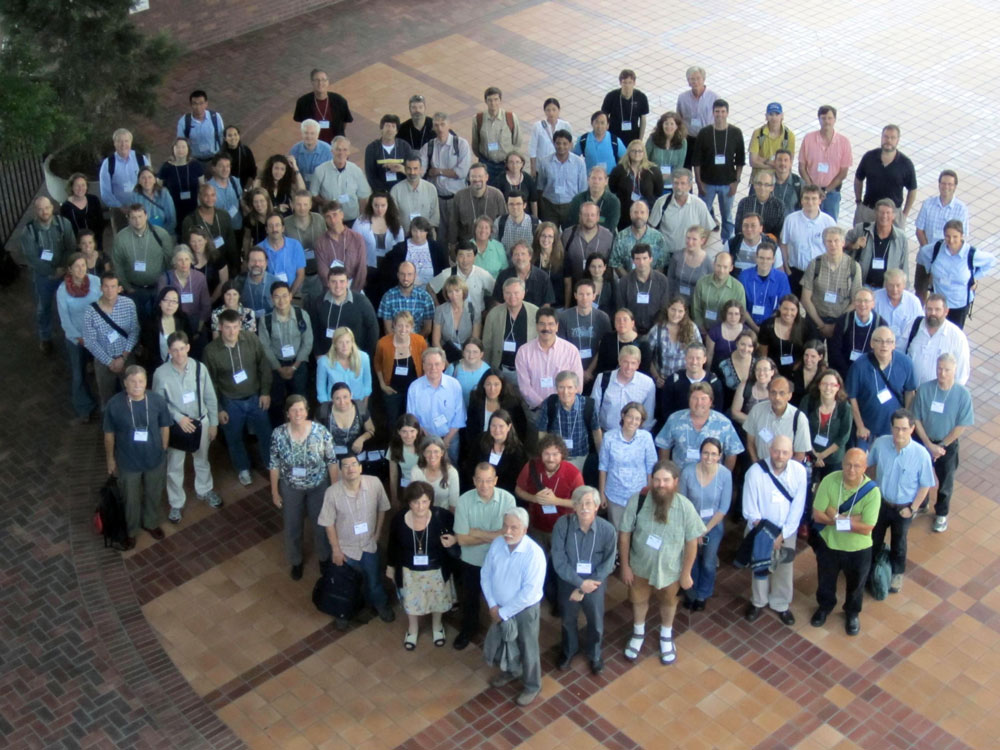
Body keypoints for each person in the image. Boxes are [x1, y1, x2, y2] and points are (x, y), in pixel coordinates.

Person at [620, 459, 704, 664]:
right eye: (656, 480)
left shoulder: (685, 507)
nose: (661, 485)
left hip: (671, 571)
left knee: (669, 602)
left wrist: (686, 573)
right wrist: (625, 566)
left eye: (666, 480)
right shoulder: (637, 501)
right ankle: (638, 632)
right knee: (638, 600)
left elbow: (692, 542)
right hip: (639, 567)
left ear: (675, 481)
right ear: (651, 480)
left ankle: (666, 634)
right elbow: (624, 534)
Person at [317, 452, 395, 627]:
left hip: (369, 545)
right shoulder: (332, 493)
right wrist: (336, 550)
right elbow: (328, 523)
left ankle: (380, 605)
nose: (350, 468)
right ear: (340, 470)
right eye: (345, 465)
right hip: (346, 549)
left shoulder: (374, 483)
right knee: (344, 584)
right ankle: (343, 612)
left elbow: (383, 508)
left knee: (374, 581)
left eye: (354, 464)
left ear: (360, 467)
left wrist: (377, 534)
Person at [152, 331, 221, 524]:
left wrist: (213, 423)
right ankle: (176, 502)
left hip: (201, 422)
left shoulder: (200, 368)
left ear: (188, 347)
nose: (179, 354)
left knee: (202, 459)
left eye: (182, 349)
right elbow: (159, 403)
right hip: (177, 426)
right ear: (169, 351)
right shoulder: (161, 373)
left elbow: (210, 397)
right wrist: (178, 417)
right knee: (174, 465)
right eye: (175, 350)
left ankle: (205, 490)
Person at [810, 448, 880, 635]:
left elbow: (867, 527)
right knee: (826, 579)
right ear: (842, 463)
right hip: (830, 544)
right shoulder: (829, 480)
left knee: (856, 584)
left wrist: (834, 514)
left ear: (865, 468)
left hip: (858, 549)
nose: (851, 469)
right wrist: (853, 520)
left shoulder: (872, 492)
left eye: (857, 466)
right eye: (848, 464)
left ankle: (852, 613)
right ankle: (825, 607)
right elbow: (817, 516)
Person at [481, 508, 546, 706]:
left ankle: (532, 685)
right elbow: (486, 574)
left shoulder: (534, 554)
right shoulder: (497, 544)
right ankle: (512, 671)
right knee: (505, 642)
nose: (508, 531)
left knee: (528, 647)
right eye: (505, 526)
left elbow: (528, 593)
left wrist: (503, 612)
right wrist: (493, 604)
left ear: (524, 530)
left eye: (514, 528)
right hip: (499, 608)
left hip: (524, 611)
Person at [103, 365, 172, 548]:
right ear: (125, 383)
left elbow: (165, 425)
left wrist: (163, 448)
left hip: (154, 459)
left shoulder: (157, 401)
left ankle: (150, 523)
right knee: (130, 499)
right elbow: (109, 434)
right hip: (128, 462)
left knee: (153, 493)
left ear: (146, 382)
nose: (137, 385)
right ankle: (131, 531)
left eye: (141, 381)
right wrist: (110, 459)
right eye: (132, 381)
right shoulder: (115, 405)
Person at [550, 485, 616, 674]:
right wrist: (580, 584)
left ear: (596, 506)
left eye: (589, 503)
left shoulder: (608, 530)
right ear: (574, 506)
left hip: (595, 583)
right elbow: (559, 560)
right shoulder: (562, 525)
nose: (584, 507)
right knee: (567, 619)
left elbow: (608, 563)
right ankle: (569, 650)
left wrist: (588, 585)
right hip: (569, 581)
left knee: (595, 621)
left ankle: (595, 654)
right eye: (579, 503)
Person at [867, 410, 935, 593]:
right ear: (891, 427)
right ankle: (871, 569)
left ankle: (897, 573)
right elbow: (868, 465)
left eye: (904, 429)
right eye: (896, 428)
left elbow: (925, 485)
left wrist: (912, 509)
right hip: (881, 502)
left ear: (912, 429)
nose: (900, 434)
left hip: (903, 508)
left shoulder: (921, 455)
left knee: (899, 543)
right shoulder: (880, 444)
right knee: (874, 538)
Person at [741, 436, 806, 625]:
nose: (780, 456)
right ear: (770, 450)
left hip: (787, 531)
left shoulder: (799, 472)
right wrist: (768, 535)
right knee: (759, 567)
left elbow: (798, 507)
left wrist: (783, 534)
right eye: (776, 451)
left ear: (791, 454)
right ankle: (758, 601)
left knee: (784, 568)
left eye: (785, 452)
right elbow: (750, 509)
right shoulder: (754, 472)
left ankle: (781, 604)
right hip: (759, 530)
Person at [203, 309, 272, 486]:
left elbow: (263, 365)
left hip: (255, 397)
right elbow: (210, 383)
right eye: (227, 328)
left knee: (265, 433)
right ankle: (243, 468)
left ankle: (271, 464)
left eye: (235, 327)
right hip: (230, 401)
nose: (232, 332)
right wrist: (218, 409)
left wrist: (265, 392)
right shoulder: (211, 351)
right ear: (220, 327)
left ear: (240, 325)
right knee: (234, 438)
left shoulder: (251, 339)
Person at [514, 435, 584, 610]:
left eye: (555, 454)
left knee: (559, 565)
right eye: (547, 453)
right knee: (538, 563)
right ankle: (542, 594)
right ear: (541, 454)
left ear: (562, 454)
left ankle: (559, 600)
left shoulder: (572, 473)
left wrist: (556, 501)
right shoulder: (530, 467)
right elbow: (518, 490)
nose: (550, 458)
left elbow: (581, 502)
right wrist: (534, 498)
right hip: (536, 527)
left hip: (562, 529)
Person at [386, 481, 458, 649]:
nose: (420, 507)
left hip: (436, 569)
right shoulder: (399, 519)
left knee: (438, 600)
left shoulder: (442, 517)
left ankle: (437, 625)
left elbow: (457, 533)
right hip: (409, 571)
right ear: (409, 502)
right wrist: (390, 566)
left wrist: (453, 540)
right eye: (415, 502)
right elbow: (392, 544)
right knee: (411, 602)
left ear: (430, 501)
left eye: (424, 502)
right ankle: (413, 628)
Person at [453, 463, 517, 649]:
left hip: (498, 561)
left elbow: (509, 536)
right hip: (471, 560)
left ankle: (501, 635)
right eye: (479, 480)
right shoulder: (464, 501)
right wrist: (494, 535)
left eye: (489, 480)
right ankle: (468, 629)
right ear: (473, 480)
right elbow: (462, 540)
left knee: (500, 600)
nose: (484, 485)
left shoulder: (508, 500)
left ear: (495, 480)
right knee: (470, 598)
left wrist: (477, 532)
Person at [913, 354, 974, 534]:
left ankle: (941, 513)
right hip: (924, 441)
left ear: (954, 370)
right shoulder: (925, 389)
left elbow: (961, 425)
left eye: (947, 369)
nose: (942, 373)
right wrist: (928, 443)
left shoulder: (962, 395)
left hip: (947, 445)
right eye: (939, 368)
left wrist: (942, 445)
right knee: (919, 475)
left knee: (946, 480)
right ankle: (921, 504)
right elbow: (916, 418)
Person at [678, 439, 732, 610]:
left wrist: (703, 531)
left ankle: (703, 594)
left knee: (708, 561)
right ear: (700, 454)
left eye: (714, 454)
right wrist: (694, 531)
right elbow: (682, 503)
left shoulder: (725, 475)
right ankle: (690, 591)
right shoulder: (687, 472)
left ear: (720, 456)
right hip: (689, 525)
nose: (709, 457)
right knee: (691, 559)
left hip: (713, 526)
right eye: (706, 453)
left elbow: (723, 508)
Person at [20, 196, 77, 353]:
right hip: (43, 277)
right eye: (40, 209)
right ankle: (45, 337)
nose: (44, 212)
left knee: (69, 305)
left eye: (47, 208)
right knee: (44, 307)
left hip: (64, 273)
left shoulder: (63, 224)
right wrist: (52, 272)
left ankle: (72, 335)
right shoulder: (29, 231)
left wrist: (64, 268)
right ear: (35, 211)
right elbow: (32, 258)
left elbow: (70, 247)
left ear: (52, 208)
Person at [916, 220, 994, 329]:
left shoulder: (970, 254)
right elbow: (923, 253)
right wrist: (930, 270)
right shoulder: (936, 249)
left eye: (955, 237)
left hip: (959, 305)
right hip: (938, 303)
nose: (951, 240)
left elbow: (991, 261)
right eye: (947, 236)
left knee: (953, 335)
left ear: (961, 236)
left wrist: (974, 277)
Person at [845, 327, 917, 447]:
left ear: (894, 345)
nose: (884, 345)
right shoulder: (859, 366)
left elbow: (910, 392)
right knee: (863, 464)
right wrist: (860, 426)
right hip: (867, 430)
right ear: (872, 343)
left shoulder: (905, 363)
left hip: (894, 430)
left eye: (889, 341)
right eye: (879, 341)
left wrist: (906, 421)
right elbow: (852, 397)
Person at [83, 271, 140, 408]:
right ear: (101, 288)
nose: (110, 290)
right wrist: (110, 362)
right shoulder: (90, 311)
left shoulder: (129, 304)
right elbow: (90, 341)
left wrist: (123, 357)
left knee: (133, 395)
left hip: (126, 358)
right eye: (106, 286)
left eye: (113, 286)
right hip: (103, 362)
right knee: (106, 398)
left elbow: (135, 330)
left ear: (119, 288)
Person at [111, 204, 176, 321]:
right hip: (134, 290)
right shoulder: (121, 238)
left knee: (159, 321)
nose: (137, 221)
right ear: (128, 218)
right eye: (133, 217)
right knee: (139, 323)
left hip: (158, 288)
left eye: (140, 216)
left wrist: (166, 284)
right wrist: (127, 287)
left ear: (146, 216)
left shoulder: (161, 234)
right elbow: (118, 265)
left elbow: (169, 260)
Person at [656, 383, 743, 470]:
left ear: (711, 401)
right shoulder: (674, 419)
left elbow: (732, 453)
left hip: (711, 479)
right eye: (694, 398)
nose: (699, 403)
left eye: (703, 399)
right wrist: (666, 472)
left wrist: (723, 477)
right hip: (680, 478)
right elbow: (664, 446)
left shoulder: (724, 423)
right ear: (689, 400)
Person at [57, 253, 102, 423]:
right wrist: (80, 338)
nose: (81, 269)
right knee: (78, 374)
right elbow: (65, 320)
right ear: (69, 269)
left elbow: (102, 306)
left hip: (97, 335)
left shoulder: (95, 282)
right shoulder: (62, 291)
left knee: (103, 370)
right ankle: (85, 407)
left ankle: (107, 401)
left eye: (83, 265)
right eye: (77, 266)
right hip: (77, 339)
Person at [598, 402, 658, 529]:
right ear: (623, 416)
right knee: (616, 531)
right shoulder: (609, 437)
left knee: (637, 531)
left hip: (638, 494)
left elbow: (651, 467)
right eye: (630, 417)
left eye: (637, 419)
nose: (633, 421)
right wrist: (602, 494)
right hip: (614, 494)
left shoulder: (646, 438)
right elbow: (603, 467)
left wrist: (650, 493)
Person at [258, 282, 313, 417]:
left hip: (298, 363)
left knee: (300, 400)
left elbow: (308, 342)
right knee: (276, 402)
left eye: (284, 296)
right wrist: (278, 368)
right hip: (276, 366)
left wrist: (295, 366)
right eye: (277, 297)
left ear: (290, 296)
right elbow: (265, 347)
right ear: (271, 299)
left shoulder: (302, 315)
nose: (281, 300)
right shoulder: (266, 320)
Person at [515, 307, 584, 414]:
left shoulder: (571, 351)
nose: (546, 328)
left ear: (557, 326)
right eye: (542, 324)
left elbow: (578, 385)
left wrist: (561, 406)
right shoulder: (524, 352)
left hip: (564, 411)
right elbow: (525, 387)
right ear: (536, 326)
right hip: (536, 412)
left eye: (551, 324)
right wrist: (544, 406)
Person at [693, 99, 745, 242]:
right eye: (717, 112)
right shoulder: (704, 133)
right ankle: (701, 242)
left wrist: (736, 182)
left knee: (727, 216)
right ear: (713, 113)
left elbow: (740, 160)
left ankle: (727, 243)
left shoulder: (735, 132)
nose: (720, 115)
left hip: (727, 183)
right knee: (702, 215)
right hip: (707, 183)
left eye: (723, 112)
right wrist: (698, 182)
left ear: (727, 113)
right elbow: (696, 160)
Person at [800, 227, 862, 340]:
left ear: (843, 243)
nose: (833, 244)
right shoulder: (814, 264)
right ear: (824, 243)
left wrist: (837, 325)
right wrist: (821, 325)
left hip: (841, 321)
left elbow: (855, 300)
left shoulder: (854, 267)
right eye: (829, 241)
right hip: (816, 319)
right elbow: (805, 299)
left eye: (836, 241)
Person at [914, 170, 969, 298]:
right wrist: (929, 253)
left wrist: (941, 256)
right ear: (939, 185)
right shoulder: (928, 204)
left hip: (947, 260)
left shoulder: (961, 209)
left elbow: (960, 236)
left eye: (950, 184)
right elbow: (919, 230)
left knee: (941, 293)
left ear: (955, 186)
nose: (946, 187)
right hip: (925, 257)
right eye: (943, 183)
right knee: (920, 291)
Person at [406, 348, 466, 465]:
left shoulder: (454, 385)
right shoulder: (414, 387)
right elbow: (412, 419)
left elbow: (459, 416)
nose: (433, 368)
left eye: (437, 364)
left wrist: (447, 440)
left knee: (451, 469)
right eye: (429, 364)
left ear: (443, 365)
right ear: (423, 366)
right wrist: (429, 440)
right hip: (424, 438)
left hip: (450, 439)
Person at [536, 371, 603, 474]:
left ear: (576, 388)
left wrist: (601, 456)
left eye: (570, 387)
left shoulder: (588, 405)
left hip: (581, 457)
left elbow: (596, 431)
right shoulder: (549, 404)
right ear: (556, 389)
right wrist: (544, 454)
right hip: (556, 458)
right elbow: (542, 431)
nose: (565, 392)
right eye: (561, 387)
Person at [853, 124, 917, 228]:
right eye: (886, 137)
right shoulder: (869, 157)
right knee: (860, 242)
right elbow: (858, 179)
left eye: (892, 138)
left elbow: (913, 190)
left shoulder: (906, 164)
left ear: (898, 140)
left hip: (892, 215)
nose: (888, 140)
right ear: (881, 137)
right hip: (869, 211)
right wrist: (858, 202)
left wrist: (904, 214)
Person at [463, 370, 529, 470]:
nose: (492, 389)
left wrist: (510, 445)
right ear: (483, 385)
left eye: (496, 384)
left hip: (506, 447)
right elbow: (470, 427)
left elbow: (521, 429)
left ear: (502, 385)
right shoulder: (476, 400)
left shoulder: (512, 403)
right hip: (481, 446)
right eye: (488, 384)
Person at [779, 185, 837, 296]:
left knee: (815, 308)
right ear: (801, 200)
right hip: (796, 272)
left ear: (820, 200)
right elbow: (783, 244)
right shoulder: (791, 220)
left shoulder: (829, 222)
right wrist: (787, 268)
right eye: (806, 198)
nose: (810, 202)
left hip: (820, 274)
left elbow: (835, 249)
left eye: (814, 198)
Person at [799, 370, 853, 489]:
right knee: (805, 490)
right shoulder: (808, 401)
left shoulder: (845, 407)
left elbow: (844, 436)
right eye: (824, 384)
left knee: (829, 492)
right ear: (819, 385)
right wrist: (813, 454)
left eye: (833, 385)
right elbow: (801, 428)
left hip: (833, 458)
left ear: (838, 387)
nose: (828, 388)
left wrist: (822, 455)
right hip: (808, 454)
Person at [421, 112, 472, 235]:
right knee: (440, 235)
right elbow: (421, 171)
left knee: (460, 234)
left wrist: (438, 171)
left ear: (449, 125)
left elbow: (462, 172)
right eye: (436, 125)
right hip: (438, 200)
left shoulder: (461, 144)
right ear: (433, 127)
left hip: (458, 199)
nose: (439, 128)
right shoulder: (428, 147)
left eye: (442, 124)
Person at [798, 105, 852, 220]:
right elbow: (802, 167)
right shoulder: (808, 139)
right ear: (819, 119)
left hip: (831, 194)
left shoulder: (844, 142)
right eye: (823, 118)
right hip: (810, 193)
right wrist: (813, 188)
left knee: (830, 225)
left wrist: (826, 190)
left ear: (835, 120)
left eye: (829, 118)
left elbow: (843, 172)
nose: (826, 121)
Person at [375, 310, 426, 429]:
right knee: (393, 422)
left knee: (412, 421)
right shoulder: (383, 343)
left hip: (414, 390)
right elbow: (377, 364)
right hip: (392, 391)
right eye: (400, 325)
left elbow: (425, 362)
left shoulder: (419, 341)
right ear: (393, 326)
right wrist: (383, 385)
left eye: (407, 326)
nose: (403, 329)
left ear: (412, 327)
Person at [904, 294, 970, 386]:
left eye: (937, 310)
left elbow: (962, 375)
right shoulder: (913, 326)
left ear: (946, 311)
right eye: (929, 309)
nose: (933, 313)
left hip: (936, 395)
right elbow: (899, 353)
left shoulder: (957, 338)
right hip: (910, 390)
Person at [649, 169, 714, 259]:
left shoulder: (699, 205)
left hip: (689, 255)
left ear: (690, 186)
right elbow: (651, 228)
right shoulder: (661, 203)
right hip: (666, 255)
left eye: (683, 183)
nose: (679, 187)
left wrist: (700, 248)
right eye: (676, 183)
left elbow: (707, 229)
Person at [744, 376, 811, 462]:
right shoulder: (757, 410)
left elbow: (800, 454)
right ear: (768, 393)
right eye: (773, 392)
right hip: (761, 465)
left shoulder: (799, 418)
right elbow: (750, 442)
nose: (777, 397)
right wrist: (757, 465)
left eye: (782, 393)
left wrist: (785, 473)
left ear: (790, 395)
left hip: (786, 470)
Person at [844, 198, 909, 288]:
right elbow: (842, 246)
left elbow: (904, 266)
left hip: (887, 289)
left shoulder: (901, 238)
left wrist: (904, 290)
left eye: (888, 213)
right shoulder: (862, 229)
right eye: (881, 212)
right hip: (862, 286)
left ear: (893, 215)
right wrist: (853, 245)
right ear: (875, 213)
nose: (884, 216)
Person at [592, 345, 656, 432]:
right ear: (619, 361)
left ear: (638, 364)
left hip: (634, 435)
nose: (629, 367)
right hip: (606, 432)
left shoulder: (648, 384)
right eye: (625, 362)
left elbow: (648, 415)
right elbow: (594, 410)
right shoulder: (602, 379)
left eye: (633, 363)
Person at [311, 137, 372, 229]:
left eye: (345, 150)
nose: (341, 153)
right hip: (328, 221)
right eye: (338, 149)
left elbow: (363, 197)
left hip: (352, 220)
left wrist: (362, 220)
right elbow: (313, 194)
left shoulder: (356, 171)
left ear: (349, 152)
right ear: (332, 151)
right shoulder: (320, 170)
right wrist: (326, 203)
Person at [558, 279, 612, 383]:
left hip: (595, 372)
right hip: (570, 370)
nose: (585, 298)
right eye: (581, 294)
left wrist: (589, 371)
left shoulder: (603, 318)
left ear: (594, 295)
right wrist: (579, 371)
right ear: (575, 295)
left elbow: (604, 348)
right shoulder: (564, 317)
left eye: (588, 294)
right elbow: (562, 347)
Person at [482, 278, 538, 374]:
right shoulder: (494, 314)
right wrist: (486, 370)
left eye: (516, 293)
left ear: (523, 293)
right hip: (500, 369)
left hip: (528, 370)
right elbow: (486, 345)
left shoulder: (535, 312)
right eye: (508, 293)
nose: (512, 297)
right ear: (503, 294)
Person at [430, 240, 495, 321]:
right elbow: (430, 288)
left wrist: (490, 311)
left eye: (469, 255)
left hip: (477, 318)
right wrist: (437, 306)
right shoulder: (447, 274)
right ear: (456, 257)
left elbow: (497, 292)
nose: (465, 260)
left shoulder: (482, 274)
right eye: (461, 255)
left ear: (474, 257)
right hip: (452, 318)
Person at [647, 297, 701, 394]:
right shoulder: (657, 329)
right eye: (673, 309)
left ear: (685, 312)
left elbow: (700, 354)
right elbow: (648, 357)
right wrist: (656, 377)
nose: (676, 314)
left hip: (685, 382)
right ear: (667, 309)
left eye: (680, 311)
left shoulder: (692, 329)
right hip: (663, 382)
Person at [659, 342, 724, 422]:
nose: (694, 362)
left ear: (704, 359)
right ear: (685, 358)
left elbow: (717, 411)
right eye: (691, 358)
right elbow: (666, 411)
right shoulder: (673, 381)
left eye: (698, 358)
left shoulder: (714, 383)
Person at [313, 199, 367, 295]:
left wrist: (354, 292)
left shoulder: (357, 238)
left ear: (342, 215)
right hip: (331, 288)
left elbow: (361, 269)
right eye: (328, 217)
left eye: (335, 215)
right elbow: (323, 272)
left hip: (354, 286)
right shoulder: (320, 242)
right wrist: (336, 290)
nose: (332, 220)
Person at [448, 163, 507, 250]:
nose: (477, 179)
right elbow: (454, 224)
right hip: (467, 246)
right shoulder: (459, 196)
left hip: (492, 245)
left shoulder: (497, 195)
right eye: (473, 176)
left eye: (480, 176)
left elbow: (504, 222)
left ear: (487, 177)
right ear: (468, 178)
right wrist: (452, 246)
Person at [182, 184, 238, 275]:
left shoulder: (224, 215)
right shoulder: (190, 220)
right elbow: (187, 247)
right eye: (206, 195)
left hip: (223, 265)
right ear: (199, 197)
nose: (210, 198)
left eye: (212, 195)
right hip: (201, 268)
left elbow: (231, 243)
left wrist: (235, 265)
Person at [535, 130, 587, 227]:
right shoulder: (545, 162)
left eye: (565, 143)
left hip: (571, 205)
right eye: (558, 143)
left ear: (570, 144)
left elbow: (583, 188)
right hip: (550, 206)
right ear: (554, 143)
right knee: (550, 236)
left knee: (570, 236)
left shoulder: (579, 163)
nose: (561, 147)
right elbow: (540, 187)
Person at [469, 410, 527, 496]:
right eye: (493, 426)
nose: (497, 430)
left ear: (509, 427)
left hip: (504, 494)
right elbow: (471, 467)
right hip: (479, 490)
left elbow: (516, 480)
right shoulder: (480, 441)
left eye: (501, 426)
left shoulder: (518, 450)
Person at [828, 288, 885, 377]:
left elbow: (883, 352)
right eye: (859, 301)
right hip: (844, 370)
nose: (862, 304)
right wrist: (849, 372)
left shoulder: (881, 324)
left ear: (873, 304)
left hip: (869, 372)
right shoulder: (843, 321)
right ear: (854, 303)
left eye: (866, 301)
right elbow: (835, 350)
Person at [614, 244, 669, 335]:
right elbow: (621, 307)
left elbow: (664, 308)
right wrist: (630, 326)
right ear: (633, 261)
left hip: (655, 330)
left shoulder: (662, 280)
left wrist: (655, 328)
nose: (641, 262)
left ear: (651, 259)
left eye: (644, 258)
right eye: (637, 259)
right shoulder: (624, 281)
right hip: (630, 329)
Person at [322, 383, 375, 478]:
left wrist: (362, 439)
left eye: (345, 397)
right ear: (332, 399)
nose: (342, 402)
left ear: (351, 396)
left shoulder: (360, 408)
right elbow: (315, 434)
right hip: (332, 458)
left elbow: (371, 430)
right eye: (337, 398)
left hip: (355, 456)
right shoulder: (324, 410)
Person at [99, 128, 147, 232]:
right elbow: (105, 191)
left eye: (126, 141)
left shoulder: (141, 159)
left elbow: (150, 182)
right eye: (119, 141)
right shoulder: (108, 164)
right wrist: (120, 207)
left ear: (131, 142)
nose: (123, 144)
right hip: (119, 212)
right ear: (114, 143)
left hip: (141, 209)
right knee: (122, 241)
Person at [561, 198, 615, 290]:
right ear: (580, 216)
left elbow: (611, 265)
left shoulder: (608, 237)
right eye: (586, 215)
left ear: (598, 217)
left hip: (598, 290)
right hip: (572, 287)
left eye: (592, 215)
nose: (589, 218)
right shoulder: (567, 234)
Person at [608, 141, 663, 230]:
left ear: (644, 153)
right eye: (633, 151)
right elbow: (612, 188)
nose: (637, 153)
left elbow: (658, 191)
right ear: (628, 152)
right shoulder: (619, 170)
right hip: (625, 214)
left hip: (646, 215)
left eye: (639, 151)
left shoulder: (653, 170)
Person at [140, 286, 195, 374]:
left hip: (181, 367)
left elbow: (190, 343)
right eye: (166, 300)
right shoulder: (150, 322)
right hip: (158, 368)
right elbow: (148, 348)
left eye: (174, 301)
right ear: (160, 302)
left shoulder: (183, 319)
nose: (170, 305)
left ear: (178, 304)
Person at [472, 87, 523, 181]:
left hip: (506, 165)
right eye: (490, 100)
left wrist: (511, 161)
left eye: (496, 99)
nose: (493, 103)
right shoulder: (478, 119)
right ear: (485, 101)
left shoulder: (510, 117)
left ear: (500, 100)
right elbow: (475, 144)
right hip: (487, 164)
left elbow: (517, 142)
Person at [383, 216, 449, 288]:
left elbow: (445, 271)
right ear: (410, 231)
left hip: (433, 291)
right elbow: (391, 270)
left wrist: (434, 289)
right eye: (415, 231)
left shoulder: (437, 248)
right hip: (407, 290)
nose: (418, 235)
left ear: (427, 232)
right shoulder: (400, 249)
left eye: (421, 231)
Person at [739, 241, 790, 329]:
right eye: (761, 258)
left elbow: (783, 306)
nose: (764, 262)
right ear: (756, 258)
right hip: (748, 325)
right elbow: (741, 306)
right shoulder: (744, 276)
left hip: (772, 325)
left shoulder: (781, 278)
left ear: (773, 259)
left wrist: (766, 327)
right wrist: (755, 328)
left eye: (768, 258)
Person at [158, 246, 211, 332]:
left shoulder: (200, 278)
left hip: (195, 321)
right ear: (174, 262)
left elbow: (206, 305)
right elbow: (160, 305)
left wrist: (199, 328)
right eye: (180, 260)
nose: (184, 263)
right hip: (174, 321)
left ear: (191, 261)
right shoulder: (165, 278)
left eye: (187, 259)